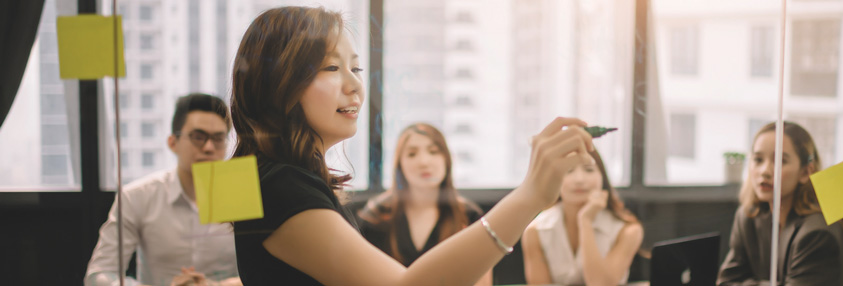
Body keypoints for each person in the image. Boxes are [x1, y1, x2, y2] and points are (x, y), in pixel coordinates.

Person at [228, 6, 596, 285]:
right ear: (280, 82)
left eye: (355, 69)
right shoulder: (277, 185)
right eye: (330, 68)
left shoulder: (263, 175)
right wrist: (530, 196)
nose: (355, 86)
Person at [85, 93, 242, 286]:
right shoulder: (138, 196)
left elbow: (265, 272)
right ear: (172, 142)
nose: (209, 147)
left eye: (218, 138)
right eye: (198, 137)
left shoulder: (241, 194)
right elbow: (98, 275)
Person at [717, 121, 843, 286]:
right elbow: (725, 282)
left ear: (806, 172)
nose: (765, 171)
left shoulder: (817, 233)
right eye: (758, 159)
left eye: (780, 161)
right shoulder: (748, 216)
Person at [357, 123, 492, 286]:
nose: (424, 162)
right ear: (399, 165)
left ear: (447, 159)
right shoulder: (377, 215)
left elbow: (482, 281)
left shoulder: (468, 215)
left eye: (433, 152)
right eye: (412, 154)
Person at [521, 149, 644, 285]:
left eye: (589, 170)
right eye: (568, 171)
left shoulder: (628, 230)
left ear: (602, 178)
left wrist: (585, 221)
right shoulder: (535, 231)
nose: (579, 179)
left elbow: (601, 284)